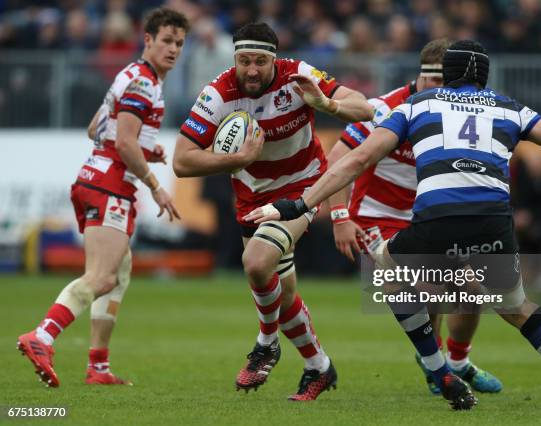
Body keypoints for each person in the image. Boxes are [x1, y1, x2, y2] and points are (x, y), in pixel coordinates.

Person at [245, 40, 541, 412]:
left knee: (387, 274)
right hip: (493, 220)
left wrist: (300, 203)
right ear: (484, 77)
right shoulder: (509, 107)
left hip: (435, 216)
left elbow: (356, 160)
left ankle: (441, 370)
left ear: (445, 76)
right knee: (515, 305)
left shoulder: (417, 105)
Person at [172, 22, 373, 401]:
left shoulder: (298, 76)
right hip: (251, 198)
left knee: (256, 262)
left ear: (274, 60)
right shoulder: (218, 93)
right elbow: (182, 161)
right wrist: (237, 158)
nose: (251, 70)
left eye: (260, 62)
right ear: (235, 60)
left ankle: (267, 343)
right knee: (282, 295)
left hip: (304, 189)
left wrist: (327, 105)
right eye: (244, 61)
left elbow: (363, 107)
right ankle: (319, 366)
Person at [17, 7, 188, 388]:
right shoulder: (146, 83)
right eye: (166, 41)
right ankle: (42, 337)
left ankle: (98, 367)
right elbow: (124, 141)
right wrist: (155, 184)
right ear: (148, 40)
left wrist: (144, 149)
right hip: (111, 184)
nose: (173, 49)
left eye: (179, 43)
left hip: (93, 177)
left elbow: (96, 127)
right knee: (102, 275)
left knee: (118, 271)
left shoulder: (128, 74)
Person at [326, 38, 501, 395]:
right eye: (431, 81)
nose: (437, 89)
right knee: (428, 285)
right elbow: (338, 158)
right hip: (375, 217)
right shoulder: (386, 109)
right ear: (418, 77)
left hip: (428, 217)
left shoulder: (461, 114)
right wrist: (340, 216)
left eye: (444, 82)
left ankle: (455, 361)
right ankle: (437, 365)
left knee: (472, 290)